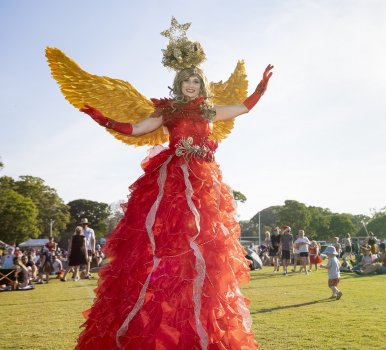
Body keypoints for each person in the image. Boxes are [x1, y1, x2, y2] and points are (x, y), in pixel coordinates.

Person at [47, 18, 272, 349]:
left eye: (196, 80)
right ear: (179, 84)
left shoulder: (210, 111)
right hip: (172, 182)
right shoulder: (167, 110)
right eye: (186, 80)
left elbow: (243, 108)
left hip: (205, 185)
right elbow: (137, 129)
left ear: (202, 84)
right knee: (165, 243)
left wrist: (261, 88)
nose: (191, 85)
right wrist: (105, 120)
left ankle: (200, 325)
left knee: (207, 251)